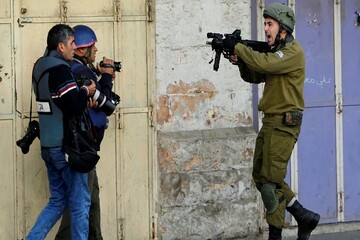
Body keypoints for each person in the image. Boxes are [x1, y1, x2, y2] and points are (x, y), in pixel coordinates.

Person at [223, 3, 320, 240]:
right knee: (261, 175)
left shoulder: (292, 53)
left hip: (285, 124)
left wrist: (238, 46)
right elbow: (256, 74)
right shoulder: (276, 52)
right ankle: (302, 214)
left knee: (271, 182)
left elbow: (264, 64)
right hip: (271, 122)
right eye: (264, 23)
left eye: (270, 24)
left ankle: (277, 234)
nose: (265, 28)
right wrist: (239, 61)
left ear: (283, 29)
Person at [26, 24, 96, 240]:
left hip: (48, 146)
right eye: (72, 43)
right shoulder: (60, 69)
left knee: (58, 201)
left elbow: (52, 101)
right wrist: (86, 90)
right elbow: (73, 105)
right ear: (61, 45)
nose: (74, 48)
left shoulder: (39, 66)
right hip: (65, 148)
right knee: (80, 203)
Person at [55, 24, 116, 240]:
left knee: (91, 200)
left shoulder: (76, 68)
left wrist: (98, 72)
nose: (96, 50)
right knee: (79, 204)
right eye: (92, 46)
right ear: (82, 50)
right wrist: (107, 77)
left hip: (86, 149)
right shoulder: (79, 70)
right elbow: (106, 102)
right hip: (80, 147)